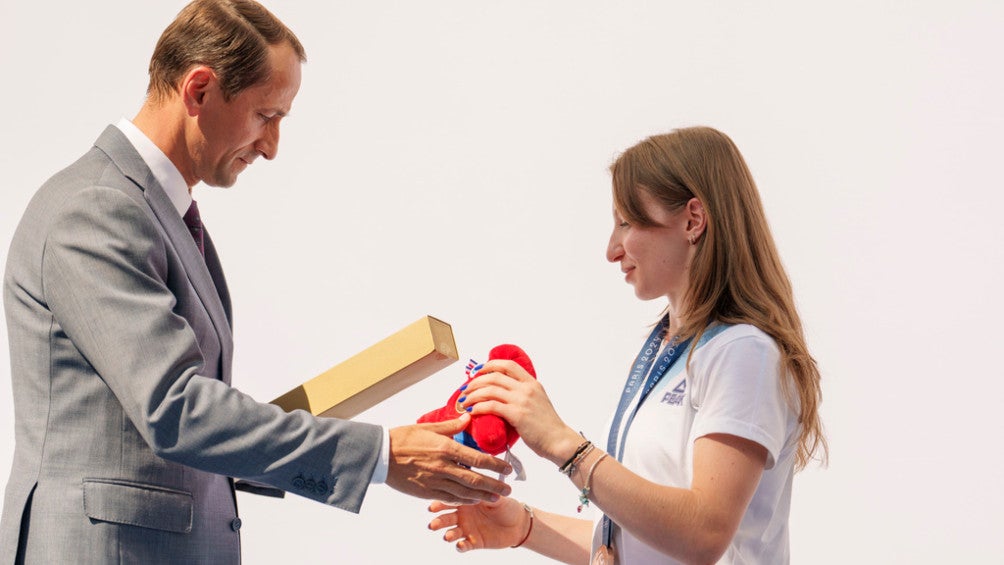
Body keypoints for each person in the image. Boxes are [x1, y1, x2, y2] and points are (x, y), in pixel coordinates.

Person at [0, 1, 512, 562]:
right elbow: (176, 411)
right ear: (198, 91)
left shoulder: (157, 212)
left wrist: (379, 446)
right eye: (267, 116)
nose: (271, 147)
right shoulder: (97, 209)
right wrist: (382, 456)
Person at [428, 126, 828, 564]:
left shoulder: (743, 353)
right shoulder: (667, 348)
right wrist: (525, 527)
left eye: (626, 222)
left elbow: (703, 535)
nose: (612, 249)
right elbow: (641, 548)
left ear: (693, 220)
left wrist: (563, 443)